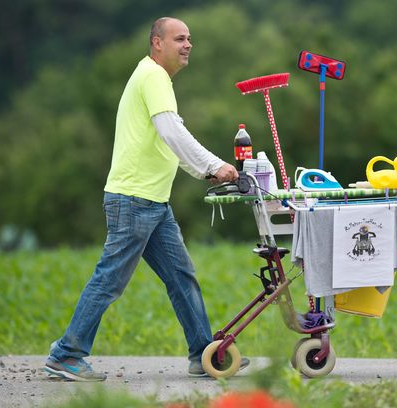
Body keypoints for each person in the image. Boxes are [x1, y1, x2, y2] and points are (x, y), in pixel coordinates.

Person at [44, 17, 248, 381]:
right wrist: (215, 165)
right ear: (157, 43)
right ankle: (66, 354)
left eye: (190, 39)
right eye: (179, 39)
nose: (188, 45)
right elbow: (171, 130)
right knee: (110, 280)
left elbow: (171, 139)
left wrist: (206, 171)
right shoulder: (153, 77)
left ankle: (203, 353)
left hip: (152, 202)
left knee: (181, 275)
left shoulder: (154, 78)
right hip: (134, 200)